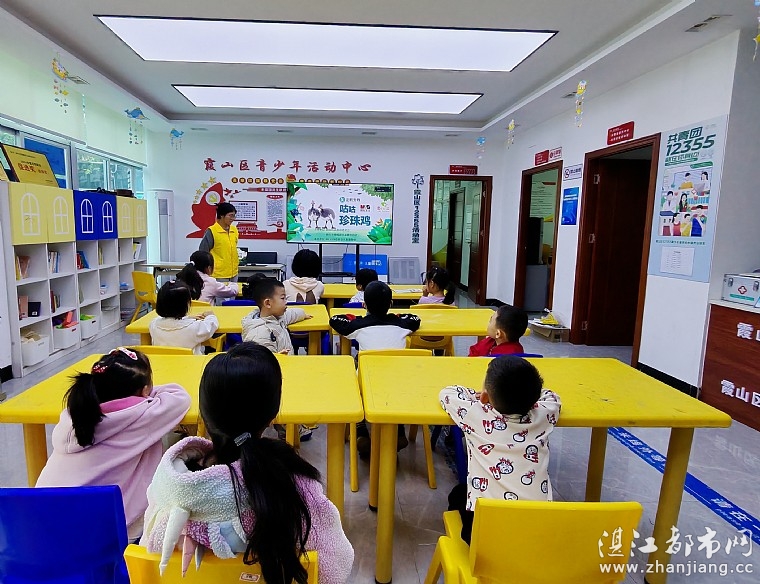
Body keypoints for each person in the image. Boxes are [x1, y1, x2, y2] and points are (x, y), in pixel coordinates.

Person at [140, 343, 354, 584]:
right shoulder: (296, 488)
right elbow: (334, 567)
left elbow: (149, 553)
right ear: (272, 415)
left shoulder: (167, 483)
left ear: (204, 415)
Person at [36, 347, 190, 541]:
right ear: (145, 390)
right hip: (103, 535)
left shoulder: (74, 416)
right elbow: (180, 397)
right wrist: (145, 393)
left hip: (44, 528)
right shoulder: (142, 416)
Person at [440, 356, 561, 544]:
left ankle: (463, 548)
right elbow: (553, 396)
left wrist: (478, 397)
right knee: (460, 492)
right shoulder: (544, 415)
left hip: (484, 536)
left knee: (457, 495)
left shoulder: (476, 415)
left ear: (485, 397)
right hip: (537, 531)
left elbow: (448, 393)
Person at [330, 281, 421, 456]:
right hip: (400, 384)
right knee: (392, 391)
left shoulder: (359, 326)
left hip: (367, 385)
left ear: (364, 305)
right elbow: (415, 319)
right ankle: (398, 431)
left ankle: (361, 432)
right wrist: (398, 315)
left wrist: (354, 318)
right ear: (391, 304)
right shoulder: (401, 325)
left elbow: (335, 320)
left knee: (354, 375)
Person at [241, 274, 313, 355]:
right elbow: (259, 360)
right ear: (268, 303)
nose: (286, 302)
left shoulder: (278, 317)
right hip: (277, 363)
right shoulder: (259, 334)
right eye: (282, 298)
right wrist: (278, 357)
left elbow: (292, 314)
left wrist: (303, 314)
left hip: (286, 361)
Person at [149, 281, 220, 355]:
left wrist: (187, 318)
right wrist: (211, 316)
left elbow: (171, 323)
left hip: (162, 362)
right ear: (185, 305)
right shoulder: (195, 328)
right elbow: (211, 326)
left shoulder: (153, 324)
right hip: (192, 362)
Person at [199, 202, 239, 282]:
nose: (233, 218)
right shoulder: (212, 231)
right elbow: (203, 252)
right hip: (218, 275)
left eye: (234, 216)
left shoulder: (234, 230)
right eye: (230, 215)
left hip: (234, 274)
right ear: (221, 215)